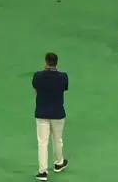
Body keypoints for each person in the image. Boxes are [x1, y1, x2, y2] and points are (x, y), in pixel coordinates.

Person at [32, 52, 69, 181]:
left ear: (45, 62)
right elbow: (63, 89)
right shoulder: (63, 77)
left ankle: (43, 172)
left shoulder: (37, 76)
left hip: (42, 113)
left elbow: (36, 91)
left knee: (42, 142)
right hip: (58, 113)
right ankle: (59, 163)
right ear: (56, 63)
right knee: (58, 139)